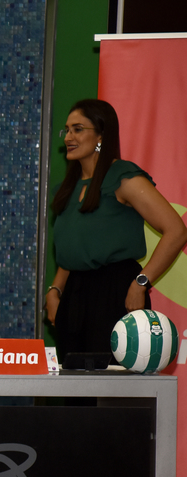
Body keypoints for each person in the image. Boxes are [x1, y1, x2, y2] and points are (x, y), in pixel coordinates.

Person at [46, 99, 187, 361]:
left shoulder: (123, 177)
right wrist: (55, 291)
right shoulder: (67, 189)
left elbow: (176, 231)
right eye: (67, 130)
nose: (68, 137)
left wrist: (141, 283)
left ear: (101, 135)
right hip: (74, 296)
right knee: (74, 381)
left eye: (78, 129)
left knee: (112, 379)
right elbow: (73, 250)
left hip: (115, 293)